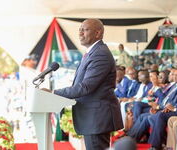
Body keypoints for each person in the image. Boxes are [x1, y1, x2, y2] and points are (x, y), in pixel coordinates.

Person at [50, 19, 123, 150]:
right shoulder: (93, 52)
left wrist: (54, 93)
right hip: (93, 118)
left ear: (97, 33)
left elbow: (85, 87)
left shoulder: (100, 54)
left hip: (96, 118)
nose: (80, 33)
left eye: (85, 29)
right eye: (80, 29)